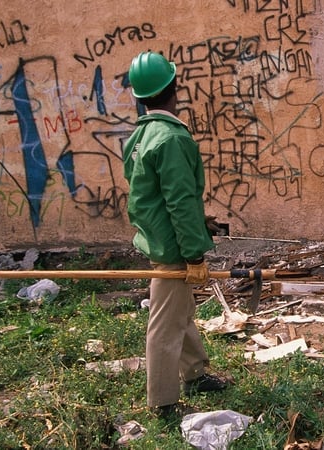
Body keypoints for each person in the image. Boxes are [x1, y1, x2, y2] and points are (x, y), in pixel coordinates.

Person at [123, 51, 230, 418]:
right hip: (172, 246)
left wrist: (198, 223)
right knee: (166, 324)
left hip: (157, 236)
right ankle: (163, 401)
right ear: (174, 87)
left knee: (180, 310)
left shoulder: (141, 136)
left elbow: (151, 193)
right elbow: (180, 202)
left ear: (140, 97)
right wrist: (194, 252)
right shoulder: (170, 138)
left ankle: (195, 373)